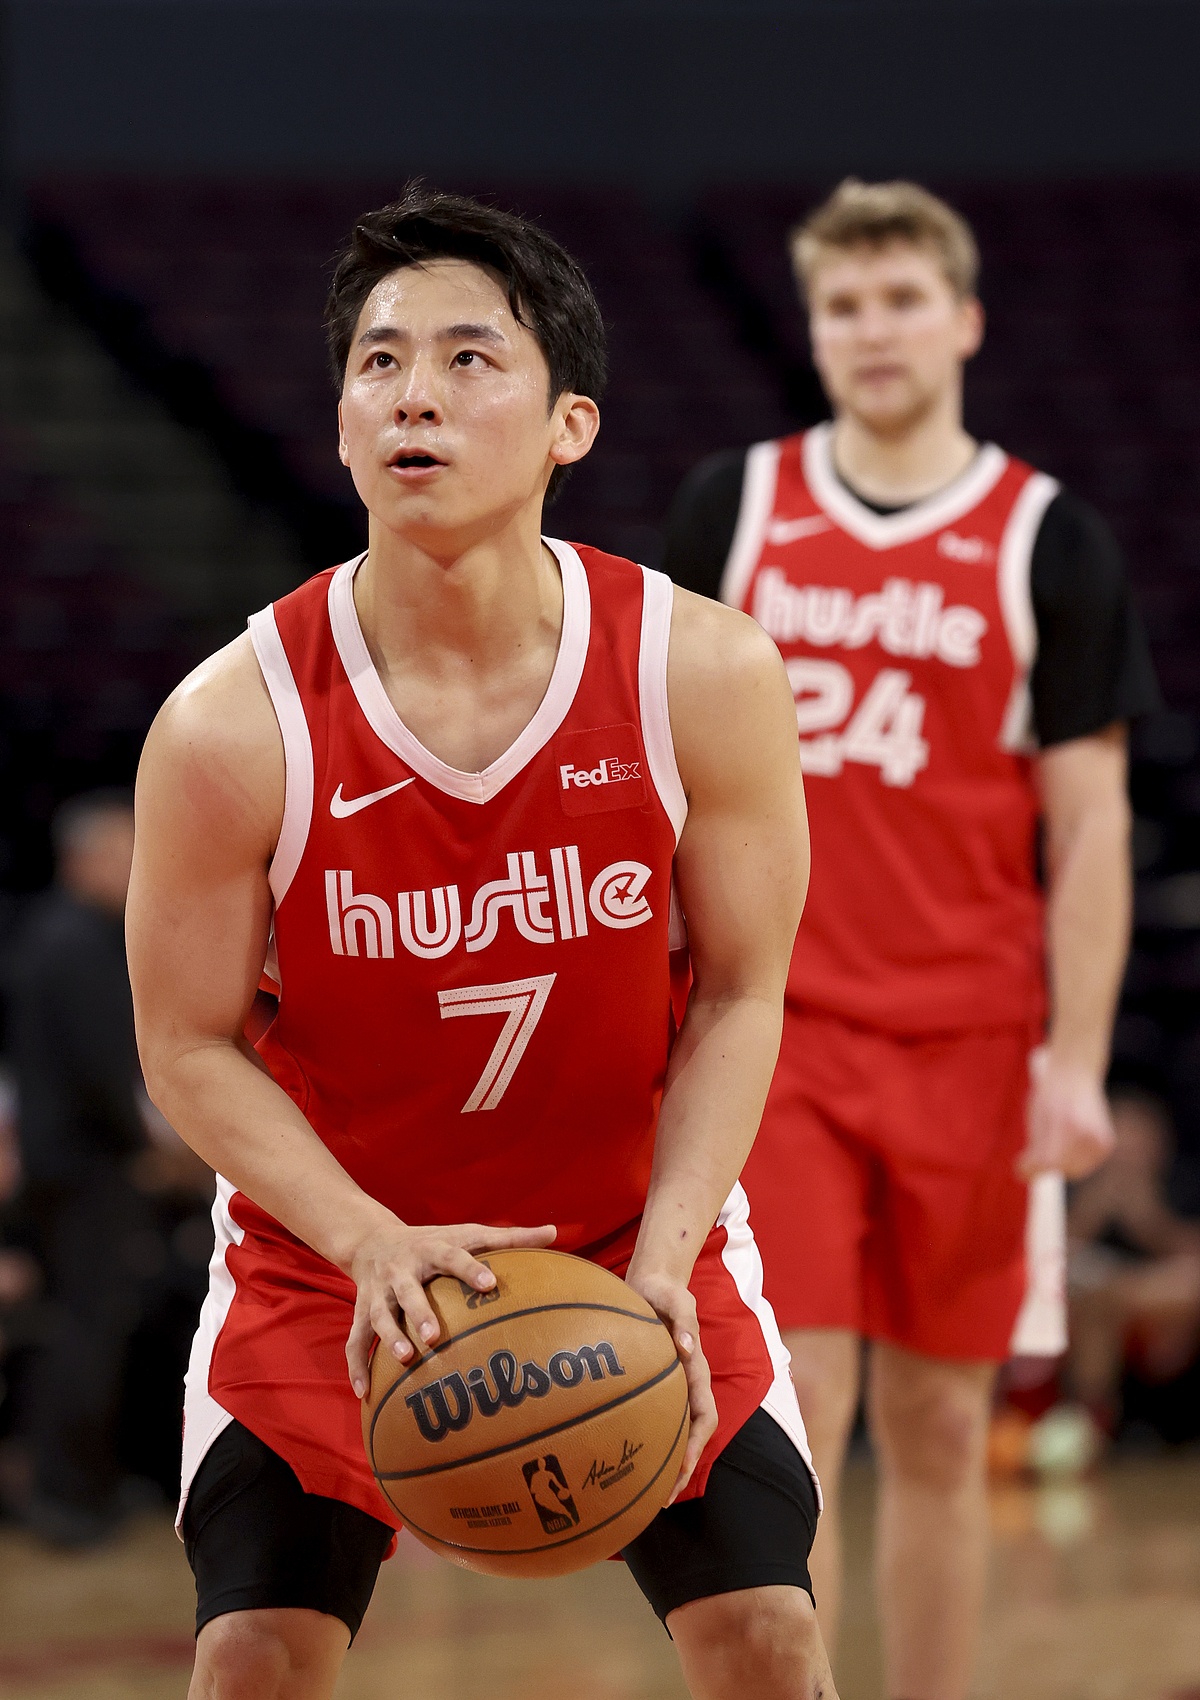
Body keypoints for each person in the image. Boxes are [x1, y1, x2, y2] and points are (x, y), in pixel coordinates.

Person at [126, 185, 837, 1700]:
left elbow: (742, 993)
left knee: (770, 1641)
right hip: (336, 1263)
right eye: (379, 363)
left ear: (571, 423)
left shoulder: (702, 673)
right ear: (339, 424)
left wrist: (663, 1259)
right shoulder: (229, 726)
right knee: (252, 1659)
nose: (415, 395)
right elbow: (184, 1045)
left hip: (628, 1241)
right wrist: (366, 1238)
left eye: (468, 358)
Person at [662, 179, 1161, 1700]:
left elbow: (1090, 826)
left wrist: (1077, 1061)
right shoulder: (735, 510)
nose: (872, 331)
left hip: (973, 1044)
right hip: (779, 1030)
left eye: (900, 300)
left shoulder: (1047, 538)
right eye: (844, 305)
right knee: (795, 1408)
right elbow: (658, 775)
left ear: (964, 322)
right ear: (813, 332)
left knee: (945, 1428)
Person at [7, 790, 148, 1543]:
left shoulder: (51, 934)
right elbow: (105, 1073)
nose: (137, 866)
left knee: (83, 1325)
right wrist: (149, 1144)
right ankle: (70, 1497)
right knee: (87, 1329)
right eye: (124, 851)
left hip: (62, 1160)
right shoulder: (77, 943)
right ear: (83, 858)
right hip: (86, 1164)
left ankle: (83, 1484)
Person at [1066, 1088, 1200, 1433]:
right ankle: (1090, 1421)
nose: (1128, 1148)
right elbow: (1050, 1255)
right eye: (1120, 1133)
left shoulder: (1184, 1182)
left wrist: (1149, 1220)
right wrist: (1090, 1211)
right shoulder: (1074, 1184)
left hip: (1157, 1292)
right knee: (1097, 1298)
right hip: (1091, 1296)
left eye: (1138, 1136)